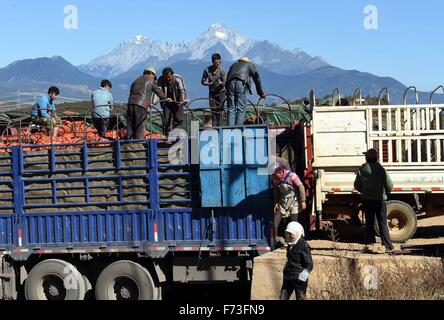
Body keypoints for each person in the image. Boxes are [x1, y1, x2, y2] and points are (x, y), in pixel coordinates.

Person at [354, 148, 395, 253]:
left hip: (367, 200)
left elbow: (356, 185)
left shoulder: (362, 170)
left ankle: (370, 244)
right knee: (382, 223)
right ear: (376, 158)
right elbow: (390, 186)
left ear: (367, 158)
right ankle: (388, 245)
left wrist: (364, 191)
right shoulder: (381, 170)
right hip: (381, 200)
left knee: (369, 223)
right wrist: (385, 193)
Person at [127, 68, 170, 140]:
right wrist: (165, 98)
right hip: (141, 105)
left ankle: (129, 143)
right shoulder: (151, 80)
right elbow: (158, 91)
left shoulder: (136, 80)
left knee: (130, 125)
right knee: (140, 124)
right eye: (154, 76)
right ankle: (139, 144)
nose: (154, 78)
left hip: (130, 103)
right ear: (151, 73)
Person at [272, 163, 307, 245]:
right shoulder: (275, 179)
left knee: (294, 220)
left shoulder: (292, 176)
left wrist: (303, 200)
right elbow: (276, 191)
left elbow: (301, 187)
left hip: (294, 201)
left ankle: (297, 240)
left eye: (276, 174)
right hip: (284, 201)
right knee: (284, 220)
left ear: (280, 172)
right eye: (273, 174)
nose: (275, 176)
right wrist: (276, 202)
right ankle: (286, 239)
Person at [225, 57, 266, 126]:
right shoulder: (250, 65)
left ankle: (229, 130)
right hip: (240, 83)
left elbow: (227, 77)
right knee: (240, 109)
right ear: (247, 61)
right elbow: (257, 79)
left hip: (229, 84)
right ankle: (238, 130)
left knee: (231, 108)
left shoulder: (233, 65)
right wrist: (260, 93)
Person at [279, 221, 313, 300]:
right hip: (287, 278)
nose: (288, 236)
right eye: (287, 233)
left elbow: (309, 265)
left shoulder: (304, 245)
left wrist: (301, 277)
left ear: (297, 233)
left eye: (291, 234)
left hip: (299, 280)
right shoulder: (290, 244)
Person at [157, 68, 188, 134]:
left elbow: (182, 90)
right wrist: (153, 102)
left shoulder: (177, 79)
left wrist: (182, 100)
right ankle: (167, 136)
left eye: (169, 77)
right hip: (166, 103)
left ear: (172, 75)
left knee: (178, 119)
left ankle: (177, 135)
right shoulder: (160, 80)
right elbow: (157, 92)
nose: (168, 79)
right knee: (167, 120)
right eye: (166, 78)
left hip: (177, 102)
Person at [201, 53, 227, 127]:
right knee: (214, 111)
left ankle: (220, 127)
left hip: (221, 93)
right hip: (212, 93)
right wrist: (210, 83)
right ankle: (215, 127)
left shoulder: (222, 71)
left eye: (219, 62)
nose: (217, 64)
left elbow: (225, 82)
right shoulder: (207, 70)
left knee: (220, 111)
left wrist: (221, 83)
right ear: (212, 62)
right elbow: (203, 81)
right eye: (216, 62)